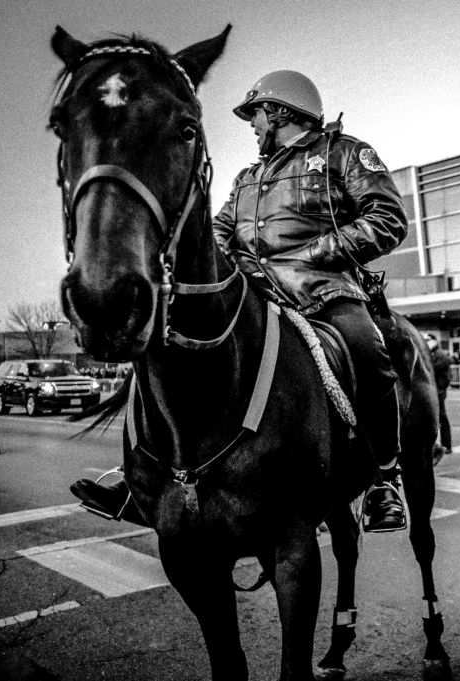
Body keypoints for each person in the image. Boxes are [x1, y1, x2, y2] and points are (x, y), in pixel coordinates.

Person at [71, 70, 409, 532]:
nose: (252, 125)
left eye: (257, 115)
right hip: (253, 293)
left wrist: (314, 254)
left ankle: (384, 480)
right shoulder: (247, 177)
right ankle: (142, 478)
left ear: (282, 112)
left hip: (322, 290)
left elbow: (388, 217)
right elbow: (221, 231)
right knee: (165, 343)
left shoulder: (344, 153)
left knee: (367, 350)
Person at [425, 334, 452, 455]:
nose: (426, 342)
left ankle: (447, 445)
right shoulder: (429, 353)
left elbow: (436, 368)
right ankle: (436, 444)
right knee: (434, 417)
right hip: (433, 388)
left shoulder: (440, 354)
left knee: (441, 416)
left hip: (439, 389)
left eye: (428, 340)